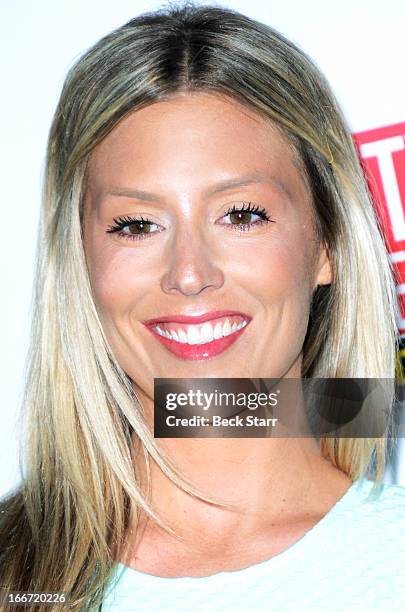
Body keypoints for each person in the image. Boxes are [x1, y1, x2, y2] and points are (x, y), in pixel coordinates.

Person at [1, 2, 404, 610]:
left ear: (328, 246)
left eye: (241, 215)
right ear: (80, 263)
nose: (189, 274)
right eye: (136, 225)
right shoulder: (17, 573)